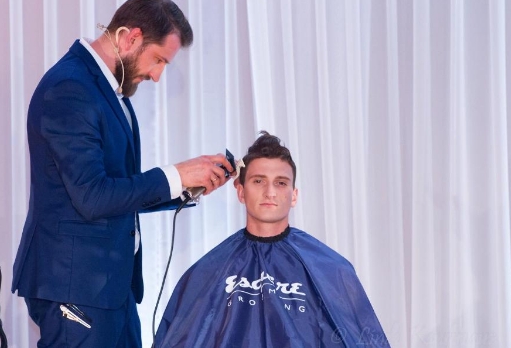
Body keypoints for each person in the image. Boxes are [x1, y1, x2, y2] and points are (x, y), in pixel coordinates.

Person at [11, 0, 234, 347]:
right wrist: (176, 174)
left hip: (111, 290)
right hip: (77, 288)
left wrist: (189, 185)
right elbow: (92, 196)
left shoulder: (108, 92)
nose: (157, 75)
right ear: (131, 38)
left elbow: (117, 189)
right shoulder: (70, 88)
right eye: (158, 59)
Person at [155, 132, 390, 347]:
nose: (270, 192)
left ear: (294, 195)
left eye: (281, 183)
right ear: (241, 191)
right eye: (258, 181)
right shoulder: (207, 272)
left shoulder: (331, 269)